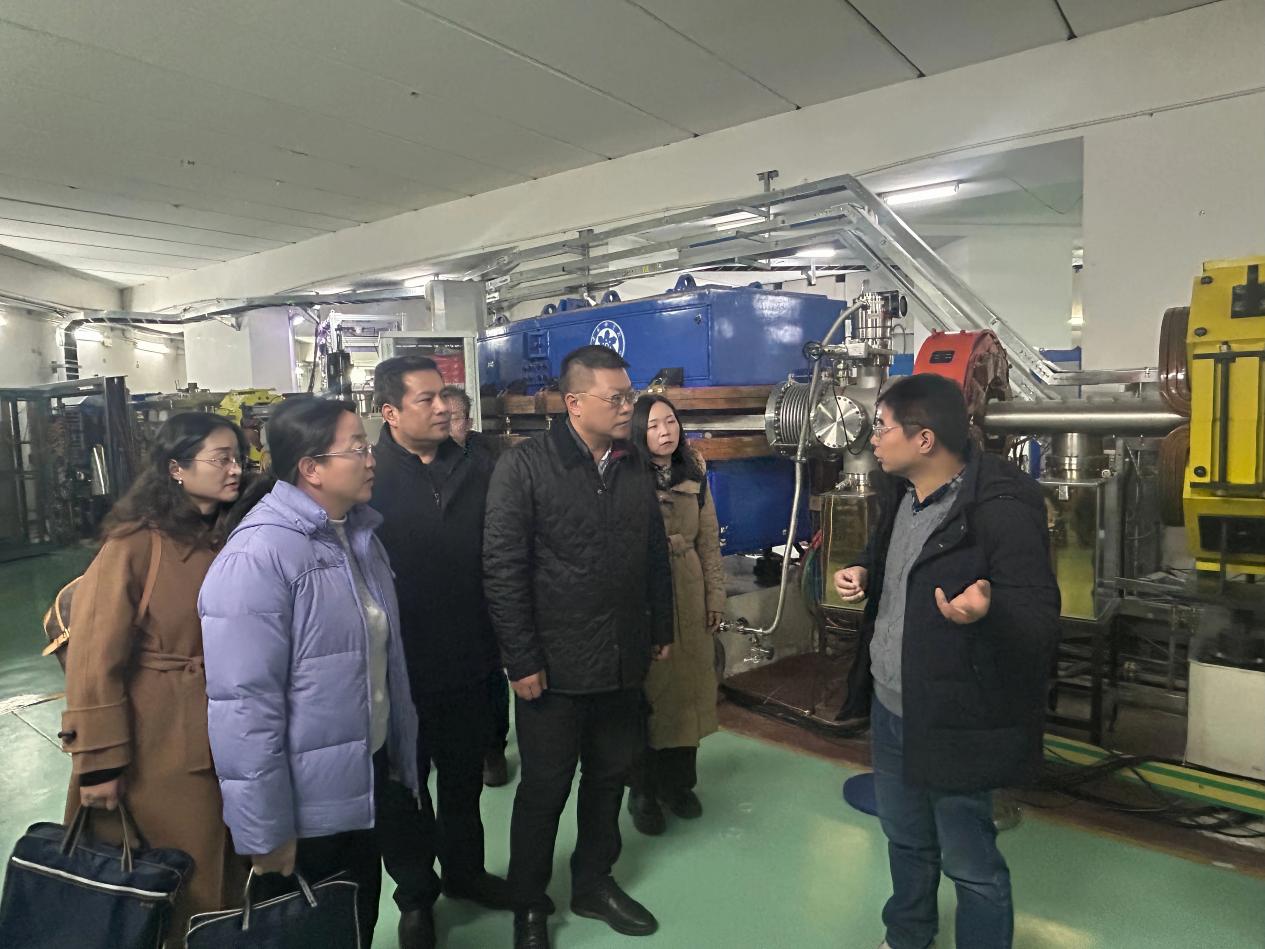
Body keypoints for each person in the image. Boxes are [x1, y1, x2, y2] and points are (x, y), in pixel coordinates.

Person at [833, 374, 1060, 949]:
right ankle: (908, 935)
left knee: (970, 861)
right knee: (905, 838)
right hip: (891, 705)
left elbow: (1038, 617)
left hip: (956, 714)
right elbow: (893, 554)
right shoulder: (905, 492)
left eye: (882, 427)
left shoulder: (1001, 508)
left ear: (924, 439)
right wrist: (865, 570)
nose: (873, 438)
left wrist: (987, 611)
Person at [199, 396, 420, 948]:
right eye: (357, 449)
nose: (371, 459)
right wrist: (264, 829)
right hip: (304, 807)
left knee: (355, 920)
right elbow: (243, 707)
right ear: (311, 468)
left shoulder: (357, 535)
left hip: (361, 777)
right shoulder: (258, 556)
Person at [484, 345, 674, 949]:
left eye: (630, 396)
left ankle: (594, 882)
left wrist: (661, 628)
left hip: (621, 656)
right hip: (553, 667)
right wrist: (521, 658)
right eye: (616, 398)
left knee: (609, 777)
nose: (627, 407)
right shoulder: (524, 467)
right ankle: (529, 904)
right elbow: (503, 569)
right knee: (545, 789)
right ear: (573, 403)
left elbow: (653, 551)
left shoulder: (631, 464)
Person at [59, 412, 251, 946]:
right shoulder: (135, 545)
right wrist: (99, 762)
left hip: (229, 729)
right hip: (156, 743)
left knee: (227, 874)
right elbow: (93, 659)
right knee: (168, 880)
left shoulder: (233, 536)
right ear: (176, 469)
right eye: (221, 459)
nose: (235, 469)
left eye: (239, 458)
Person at [369, 357, 510, 949]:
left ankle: (465, 872)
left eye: (444, 397)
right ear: (390, 412)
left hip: (470, 659)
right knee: (405, 790)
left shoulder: (478, 466)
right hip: (397, 669)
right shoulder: (369, 477)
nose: (443, 408)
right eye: (425, 400)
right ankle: (416, 897)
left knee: (462, 781)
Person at [626, 395, 726, 835]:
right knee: (651, 693)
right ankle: (643, 790)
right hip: (645, 590)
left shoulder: (694, 472)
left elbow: (709, 540)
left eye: (670, 422)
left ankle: (679, 784)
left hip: (689, 588)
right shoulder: (625, 475)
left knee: (689, 688)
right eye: (653, 425)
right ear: (637, 432)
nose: (665, 432)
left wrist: (715, 597)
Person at [441, 382, 511, 787]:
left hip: (484, 577)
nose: (445, 425)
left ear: (467, 423)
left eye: (453, 418)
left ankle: (493, 749)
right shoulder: (418, 461)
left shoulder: (490, 459)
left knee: (489, 670)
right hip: (440, 585)